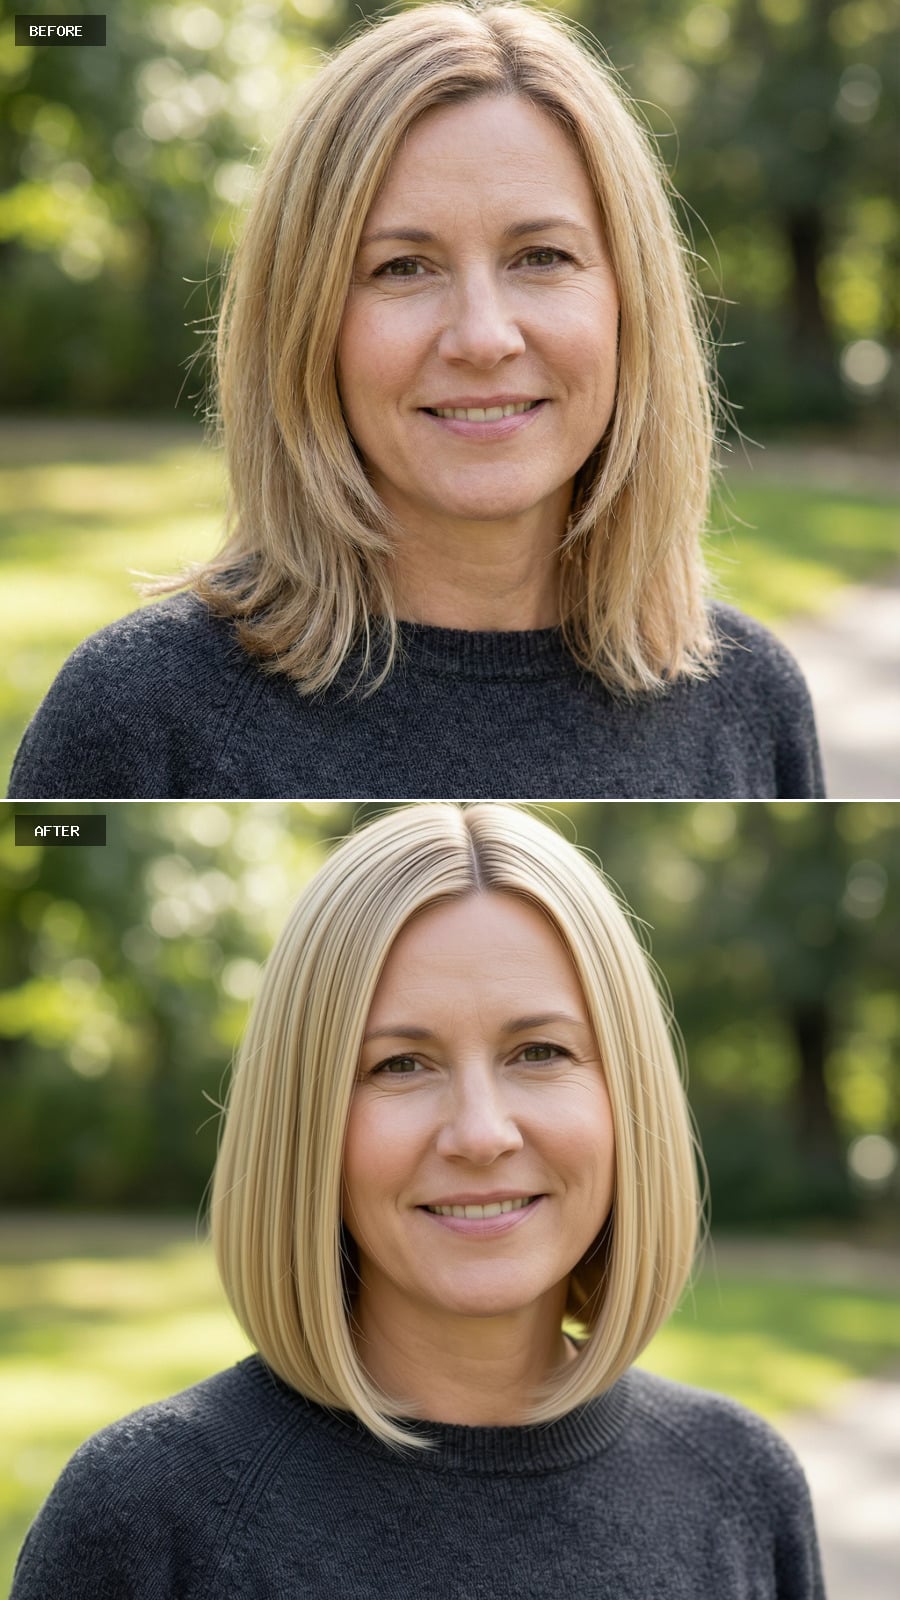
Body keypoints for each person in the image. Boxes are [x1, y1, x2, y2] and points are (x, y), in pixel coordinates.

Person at [8, 2, 822, 800]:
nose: (483, 337)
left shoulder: (752, 703)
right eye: (402, 267)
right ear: (305, 324)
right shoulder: (138, 718)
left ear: (630, 302)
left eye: (541, 256)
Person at [12, 802, 825, 1598]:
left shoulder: (741, 1488)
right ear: (304, 1120)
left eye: (540, 1052)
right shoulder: (148, 1519)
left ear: (627, 1094)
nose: (481, 1134)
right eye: (399, 1065)